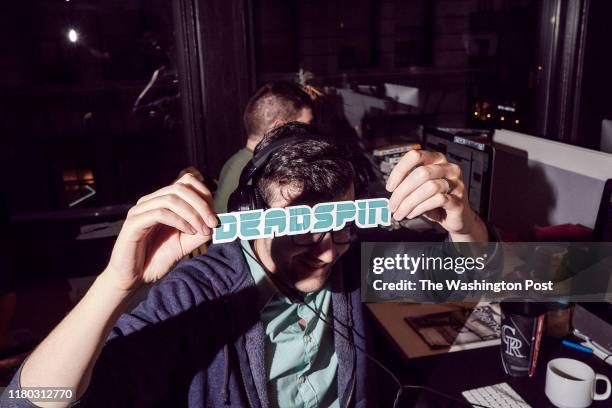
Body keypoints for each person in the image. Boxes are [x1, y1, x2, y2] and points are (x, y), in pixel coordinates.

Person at [6, 122, 491, 408]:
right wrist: (116, 285)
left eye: (340, 227)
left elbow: (493, 279)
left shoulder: (352, 261)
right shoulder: (198, 293)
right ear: (251, 220)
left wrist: (462, 220)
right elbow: (30, 403)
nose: (326, 253)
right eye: (300, 235)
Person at [213, 82, 314, 214]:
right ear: (278, 128)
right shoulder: (262, 174)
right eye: (306, 126)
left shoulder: (237, 161)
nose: (310, 137)